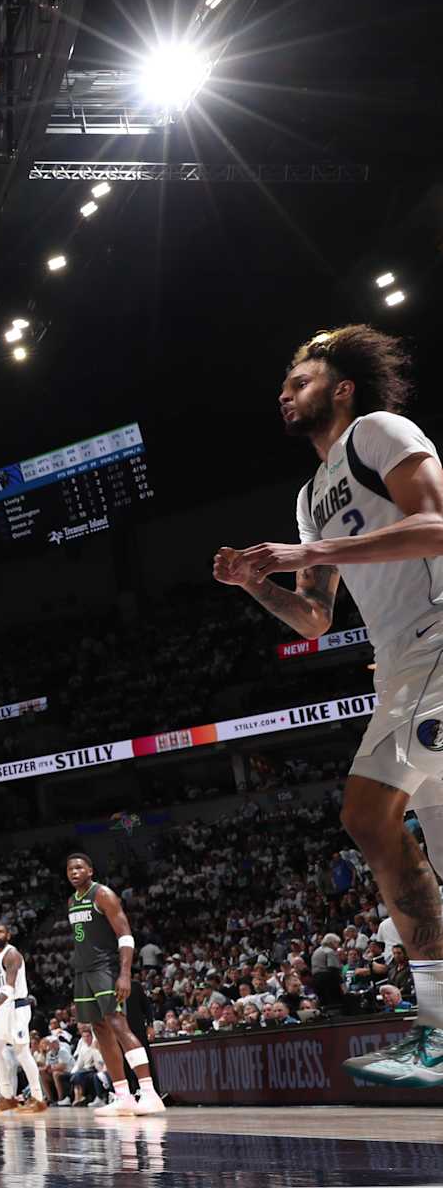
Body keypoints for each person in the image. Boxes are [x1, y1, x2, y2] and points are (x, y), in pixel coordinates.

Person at [213, 325, 443, 1086]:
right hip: (400, 664)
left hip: (438, 642)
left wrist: (308, 553)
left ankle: (438, 1032)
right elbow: (314, 619)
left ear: (342, 389)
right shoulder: (311, 495)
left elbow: (437, 526)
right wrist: (258, 583)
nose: (285, 393)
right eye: (283, 386)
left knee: (367, 815)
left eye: (300, 381)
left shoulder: (379, 432)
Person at [64, 854, 165, 1115]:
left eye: (79, 868)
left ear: (90, 870)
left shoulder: (103, 894)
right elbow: (82, 938)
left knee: (118, 1024)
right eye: (70, 869)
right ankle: (123, 1096)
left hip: (106, 968)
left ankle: (149, 1093)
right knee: (99, 1029)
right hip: (83, 971)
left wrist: (125, 973)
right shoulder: (72, 901)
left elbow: (125, 935)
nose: (74, 872)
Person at [0, 922, 48, 1115]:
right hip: (4, 1007)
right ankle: (7, 1097)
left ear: (8, 935)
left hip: (17, 1007)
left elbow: (9, 987)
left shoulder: (12, 954)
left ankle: (38, 1098)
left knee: (22, 1052)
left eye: (1, 932)